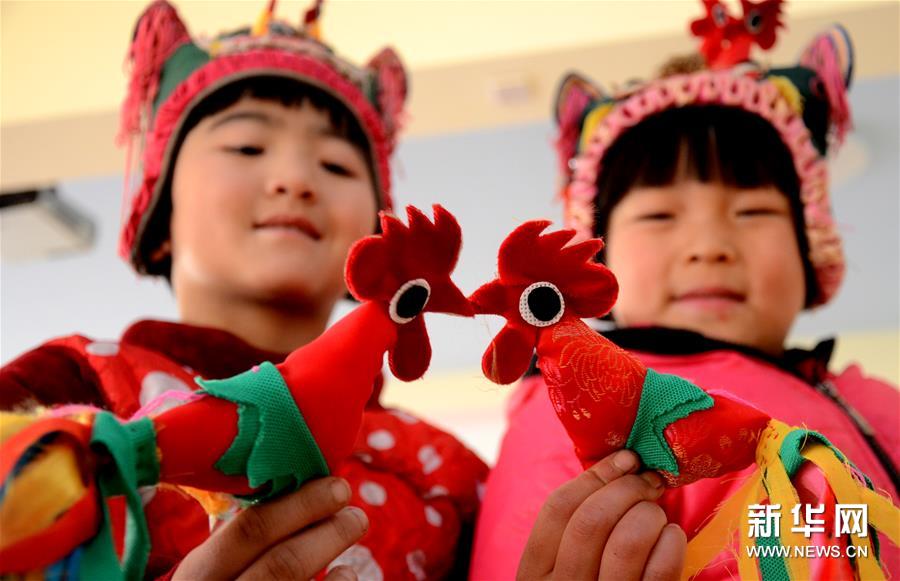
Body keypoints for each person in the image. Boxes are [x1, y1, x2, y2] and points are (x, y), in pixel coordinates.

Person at [0, 1, 487, 578]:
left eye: (336, 165)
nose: (297, 180)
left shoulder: (447, 470)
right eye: (247, 147)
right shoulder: (74, 382)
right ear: (159, 218)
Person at [471, 10, 899, 580]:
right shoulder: (581, 406)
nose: (709, 247)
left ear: (809, 249)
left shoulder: (870, 402)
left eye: (753, 212)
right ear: (598, 261)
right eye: (659, 216)